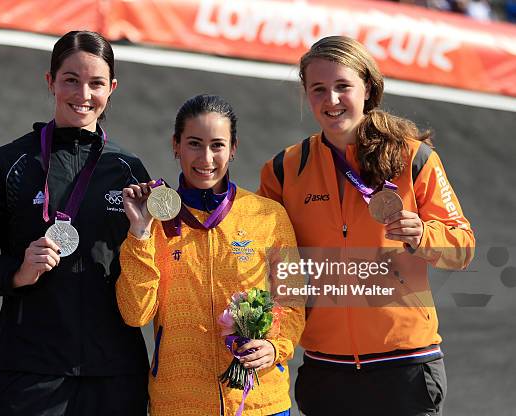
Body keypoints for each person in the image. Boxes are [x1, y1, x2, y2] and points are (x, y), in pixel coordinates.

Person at [258, 36, 475, 416]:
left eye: (343, 86)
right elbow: (268, 257)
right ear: (306, 94)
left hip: (405, 366)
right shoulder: (285, 168)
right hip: (327, 367)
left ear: (368, 88)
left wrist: (423, 235)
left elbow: (463, 247)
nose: (331, 100)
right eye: (318, 89)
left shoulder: (413, 157)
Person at [0, 31, 150, 415]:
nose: (83, 94)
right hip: (29, 368)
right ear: (50, 81)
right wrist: (18, 272)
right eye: (71, 79)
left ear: (112, 88)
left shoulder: (127, 171)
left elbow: (153, 266)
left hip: (114, 372)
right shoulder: (9, 165)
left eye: (96, 83)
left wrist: (145, 233)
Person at [116, 94, 305, 415]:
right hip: (179, 403)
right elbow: (135, 313)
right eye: (194, 143)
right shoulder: (154, 221)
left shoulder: (268, 216)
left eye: (217, 145)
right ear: (175, 145)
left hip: (261, 403)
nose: (206, 157)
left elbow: (294, 302)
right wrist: (139, 232)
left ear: (233, 148)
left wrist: (275, 347)